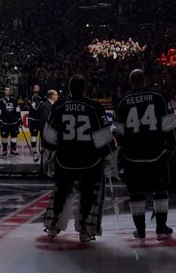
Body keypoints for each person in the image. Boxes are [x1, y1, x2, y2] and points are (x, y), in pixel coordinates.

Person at [42, 75, 113, 242]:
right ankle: (86, 231)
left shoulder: (59, 105)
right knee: (89, 195)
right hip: (89, 161)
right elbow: (103, 137)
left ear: (69, 88)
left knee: (60, 193)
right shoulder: (94, 107)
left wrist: (50, 154)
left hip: (65, 160)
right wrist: (108, 155)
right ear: (85, 88)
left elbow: (50, 135)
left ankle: (52, 227)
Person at [114, 69, 176, 244]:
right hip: (156, 153)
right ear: (146, 79)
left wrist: (119, 152)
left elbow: (118, 131)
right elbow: (169, 123)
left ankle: (140, 232)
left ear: (130, 81)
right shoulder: (159, 97)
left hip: (132, 156)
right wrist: (172, 145)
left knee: (136, 194)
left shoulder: (122, 101)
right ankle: (161, 228)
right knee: (161, 190)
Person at [0, 86, 22, 158]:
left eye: (9, 90)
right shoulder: (1, 101)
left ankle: (13, 151)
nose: (8, 91)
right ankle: (4, 151)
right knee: (4, 138)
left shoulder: (14, 100)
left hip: (14, 123)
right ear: (4, 92)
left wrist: (19, 119)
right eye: (6, 90)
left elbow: (18, 110)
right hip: (4, 123)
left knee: (14, 137)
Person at [26, 84, 45, 155]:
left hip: (40, 119)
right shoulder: (30, 97)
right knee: (34, 134)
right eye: (35, 87)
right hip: (32, 118)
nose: (37, 89)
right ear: (33, 89)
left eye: (38, 87)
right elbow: (35, 108)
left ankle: (41, 148)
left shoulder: (42, 97)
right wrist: (40, 103)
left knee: (42, 135)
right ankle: (34, 149)